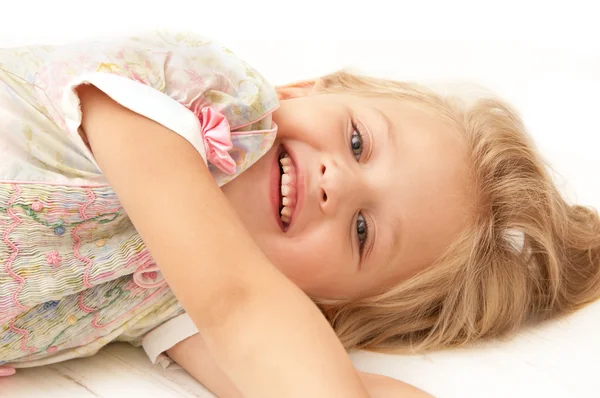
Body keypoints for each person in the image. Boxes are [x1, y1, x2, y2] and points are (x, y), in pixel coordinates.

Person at [1, 30, 599, 397]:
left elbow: (283, 378)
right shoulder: (184, 88)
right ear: (306, 88)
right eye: (359, 141)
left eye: (362, 231)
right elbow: (236, 301)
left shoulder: (173, 301)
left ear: (322, 303)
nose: (336, 182)